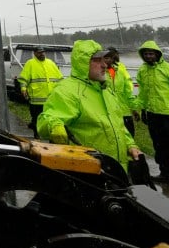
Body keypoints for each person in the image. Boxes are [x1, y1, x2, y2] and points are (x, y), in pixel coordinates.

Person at [36, 40, 142, 174]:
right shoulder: (66, 91)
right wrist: (54, 125)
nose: (105, 65)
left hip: (116, 172)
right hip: (87, 174)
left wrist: (130, 145)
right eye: (98, 60)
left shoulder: (106, 90)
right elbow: (46, 119)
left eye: (105, 60)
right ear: (83, 62)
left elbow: (117, 126)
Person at [136, 40, 169, 191]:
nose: (149, 56)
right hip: (153, 115)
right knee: (160, 148)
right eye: (146, 54)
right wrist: (140, 108)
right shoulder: (142, 71)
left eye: (151, 53)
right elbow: (143, 93)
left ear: (158, 54)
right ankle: (167, 175)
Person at [18, 48, 63, 133]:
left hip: (50, 100)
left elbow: (60, 78)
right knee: (37, 119)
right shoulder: (30, 63)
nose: (42, 54)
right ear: (34, 53)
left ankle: (49, 137)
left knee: (50, 120)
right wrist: (23, 89)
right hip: (36, 100)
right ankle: (36, 136)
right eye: (39, 53)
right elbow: (23, 79)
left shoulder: (51, 63)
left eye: (43, 52)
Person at [104, 47, 140, 136]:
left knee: (130, 136)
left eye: (110, 57)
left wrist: (133, 108)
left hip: (124, 111)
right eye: (105, 57)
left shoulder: (120, 70)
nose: (107, 60)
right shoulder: (98, 72)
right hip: (108, 112)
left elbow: (128, 91)